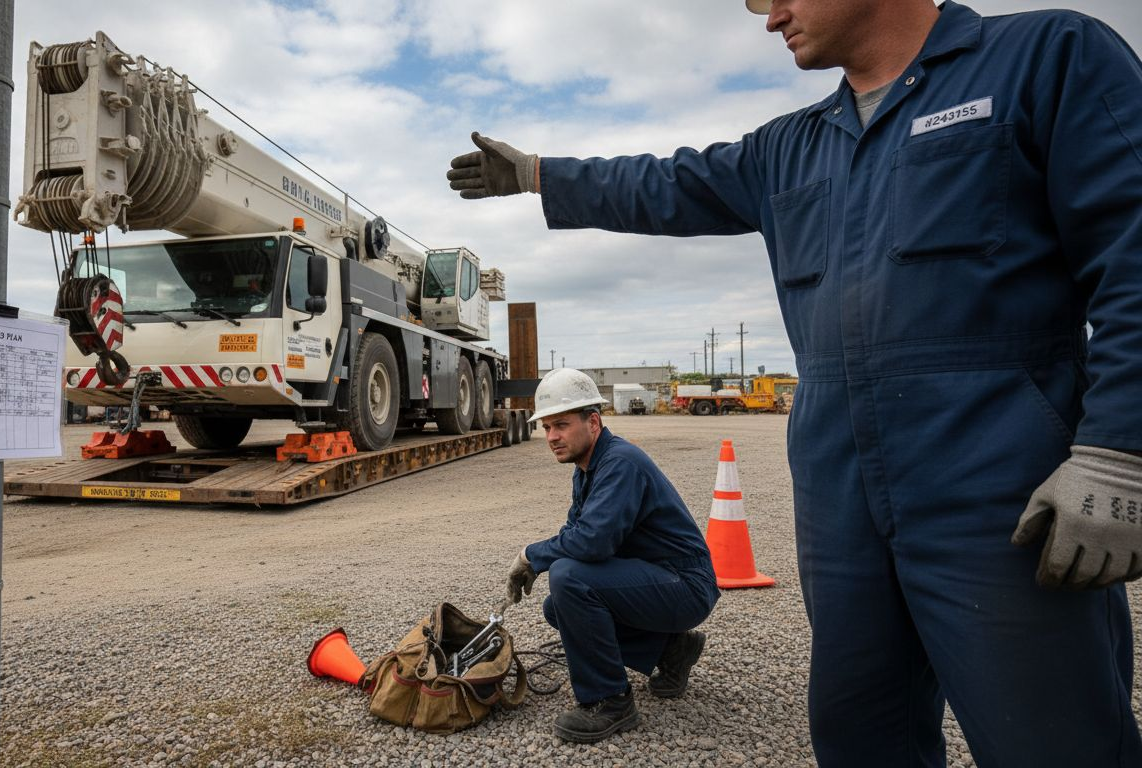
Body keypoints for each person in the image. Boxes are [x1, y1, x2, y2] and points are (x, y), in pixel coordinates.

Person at [449, 1, 1142, 765]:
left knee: (1051, 738)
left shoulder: (1046, 58)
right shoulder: (793, 146)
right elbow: (667, 183)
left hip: (1001, 494)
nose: (769, 15)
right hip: (840, 503)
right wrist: (540, 176)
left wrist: (1118, 448)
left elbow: (1134, 252)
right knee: (859, 734)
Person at [506, 368, 720, 743]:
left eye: (561, 425)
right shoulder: (589, 466)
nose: (552, 437)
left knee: (569, 578)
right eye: (546, 428)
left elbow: (591, 543)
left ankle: (610, 701)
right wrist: (540, 557)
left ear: (593, 421)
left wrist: (530, 556)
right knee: (558, 607)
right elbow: (575, 532)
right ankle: (672, 650)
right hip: (659, 577)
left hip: (684, 584)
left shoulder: (620, 463)